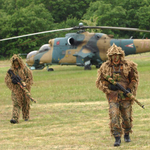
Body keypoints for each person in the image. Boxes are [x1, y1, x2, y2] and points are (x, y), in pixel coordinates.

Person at [96, 44, 139, 146]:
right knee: (114, 116)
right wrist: (110, 87)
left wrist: (128, 89)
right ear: (110, 56)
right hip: (113, 96)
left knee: (127, 117)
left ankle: (127, 133)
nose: (115, 57)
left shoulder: (128, 66)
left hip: (126, 96)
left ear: (121, 55)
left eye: (117, 55)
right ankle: (117, 137)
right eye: (113, 55)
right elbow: (101, 81)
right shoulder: (105, 67)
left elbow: (133, 79)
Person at [5, 54, 33, 124]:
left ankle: (26, 116)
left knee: (25, 104)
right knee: (16, 103)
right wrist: (12, 82)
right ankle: (15, 118)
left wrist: (24, 84)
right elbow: (7, 80)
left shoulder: (25, 69)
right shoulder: (11, 71)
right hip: (15, 90)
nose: (16, 66)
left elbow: (30, 78)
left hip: (24, 90)